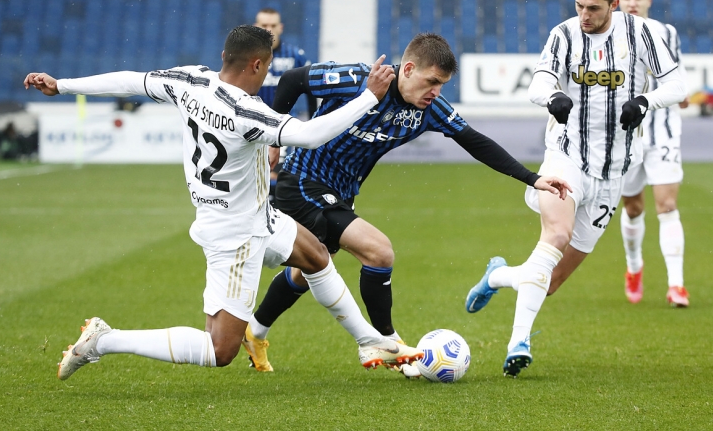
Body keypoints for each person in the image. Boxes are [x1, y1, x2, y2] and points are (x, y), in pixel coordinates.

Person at [23, 25, 422, 380]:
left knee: (317, 256)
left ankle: (372, 342)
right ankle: (104, 340)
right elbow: (312, 134)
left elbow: (131, 80)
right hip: (234, 235)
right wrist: (370, 96)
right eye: (266, 68)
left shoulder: (190, 80)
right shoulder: (247, 112)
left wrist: (63, 85)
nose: (267, 76)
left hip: (256, 215)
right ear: (255, 65)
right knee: (220, 350)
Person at [241, 32, 572, 375]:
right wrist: (273, 137)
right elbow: (294, 79)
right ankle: (388, 343)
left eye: (442, 85)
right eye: (432, 82)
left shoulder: (428, 110)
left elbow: (475, 141)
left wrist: (532, 178)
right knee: (379, 251)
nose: (436, 92)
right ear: (409, 69)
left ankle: (256, 331)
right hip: (302, 182)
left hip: (341, 192)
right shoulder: (358, 78)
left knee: (306, 268)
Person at [464, 0, 687, 377]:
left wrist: (644, 101)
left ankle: (498, 276)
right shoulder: (564, 34)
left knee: (549, 282)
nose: (584, 14)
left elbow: (678, 86)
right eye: (579, 5)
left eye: (593, 8)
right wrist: (553, 96)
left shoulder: (642, 34)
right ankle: (518, 342)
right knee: (557, 235)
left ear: (614, 5)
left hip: (614, 170)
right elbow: (537, 83)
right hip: (566, 157)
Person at [615, 0, 689, 307]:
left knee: (667, 205)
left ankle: (677, 285)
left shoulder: (667, 33)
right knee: (633, 207)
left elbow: (675, 79)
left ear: (649, 1)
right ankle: (634, 267)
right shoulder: (610, 33)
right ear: (617, 1)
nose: (632, 2)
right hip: (626, 132)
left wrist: (680, 95)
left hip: (662, 131)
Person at [254, 8, 314, 203]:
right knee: (256, 182)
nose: (269, 30)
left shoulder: (295, 56)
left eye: (273, 25)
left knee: (277, 180)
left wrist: (314, 121)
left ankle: (277, 224)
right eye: (264, 25)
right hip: (253, 127)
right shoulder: (247, 56)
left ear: (280, 28)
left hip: (284, 129)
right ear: (256, 27)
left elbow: (312, 90)